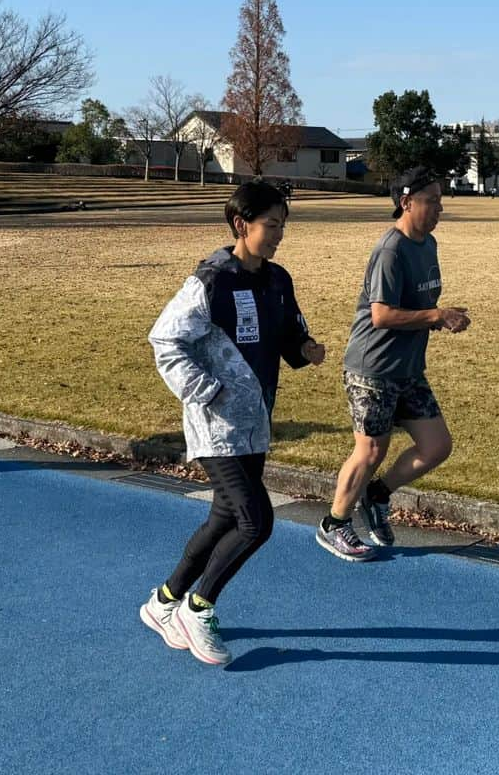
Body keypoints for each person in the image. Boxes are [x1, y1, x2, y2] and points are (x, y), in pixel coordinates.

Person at [141, 181, 325, 666]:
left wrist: (305, 350)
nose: (279, 234)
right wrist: (207, 390)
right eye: (271, 225)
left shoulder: (278, 279)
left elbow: (288, 334)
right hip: (214, 424)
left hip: (255, 419)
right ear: (242, 225)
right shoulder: (211, 280)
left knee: (224, 516)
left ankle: (163, 602)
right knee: (256, 521)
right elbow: (165, 340)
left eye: (284, 224)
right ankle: (197, 608)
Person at [316, 167, 469, 561]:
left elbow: (416, 306)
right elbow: (381, 315)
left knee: (436, 446)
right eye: (431, 200)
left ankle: (377, 495)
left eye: (440, 199)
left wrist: (440, 317)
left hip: (407, 369)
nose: (439, 207)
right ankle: (334, 523)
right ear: (406, 202)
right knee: (370, 451)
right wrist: (435, 316)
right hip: (373, 368)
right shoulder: (391, 250)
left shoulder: (427, 244)